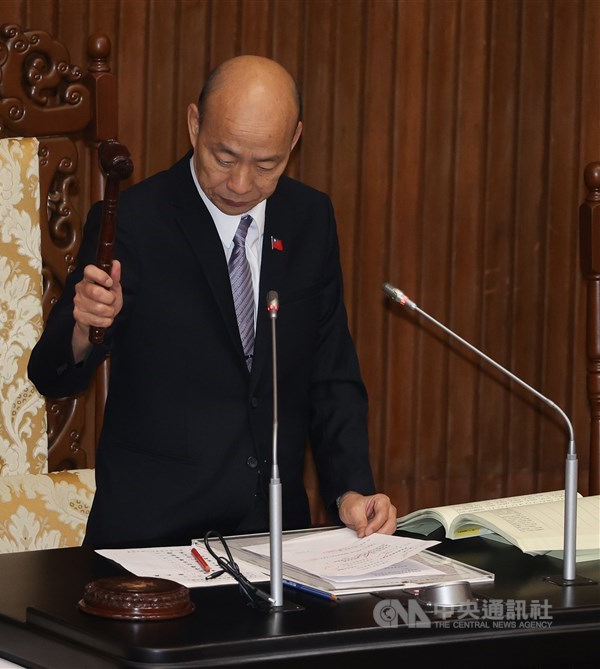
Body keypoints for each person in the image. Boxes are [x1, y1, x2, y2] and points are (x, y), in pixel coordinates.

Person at [28, 55, 396, 548]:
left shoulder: (310, 218)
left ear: (294, 141)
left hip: (273, 535)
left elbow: (331, 374)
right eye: (224, 157)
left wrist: (351, 489)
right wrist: (83, 326)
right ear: (194, 125)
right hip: (153, 538)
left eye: (266, 164)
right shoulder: (135, 222)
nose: (242, 184)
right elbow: (52, 373)